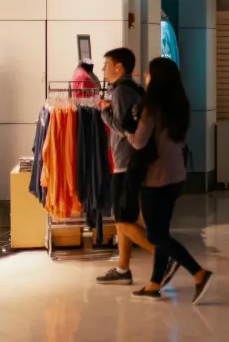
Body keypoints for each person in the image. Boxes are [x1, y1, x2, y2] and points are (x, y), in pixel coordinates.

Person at [124, 57, 214, 303]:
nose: (144, 75)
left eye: (148, 73)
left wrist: (124, 130)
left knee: (155, 236)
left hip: (155, 176)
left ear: (156, 78)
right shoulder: (179, 104)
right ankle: (154, 284)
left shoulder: (150, 107)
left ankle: (198, 272)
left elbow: (139, 141)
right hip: (176, 175)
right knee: (162, 230)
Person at [96, 48, 155, 285]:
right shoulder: (135, 90)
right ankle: (123, 269)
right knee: (127, 217)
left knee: (121, 219)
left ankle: (165, 254)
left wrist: (104, 115)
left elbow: (124, 130)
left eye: (106, 64)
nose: (103, 69)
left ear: (119, 67)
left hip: (126, 164)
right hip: (134, 162)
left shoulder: (121, 92)